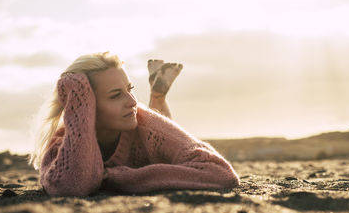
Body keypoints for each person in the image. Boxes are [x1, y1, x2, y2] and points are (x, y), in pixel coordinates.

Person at [29, 52, 240, 196]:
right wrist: (75, 96)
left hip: (154, 142)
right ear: (85, 104)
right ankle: (157, 96)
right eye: (115, 95)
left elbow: (221, 174)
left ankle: (158, 98)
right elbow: (70, 186)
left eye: (130, 89)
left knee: (161, 126)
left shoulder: (145, 122)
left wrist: (118, 177)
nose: (132, 101)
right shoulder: (63, 144)